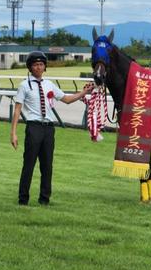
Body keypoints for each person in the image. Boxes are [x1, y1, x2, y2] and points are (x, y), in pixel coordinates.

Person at [10, 51, 94, 206]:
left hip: (48, 128)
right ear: (30, 67)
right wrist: (13, 133)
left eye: (41, 64)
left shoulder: (49, 84)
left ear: (45, 67)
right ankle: (23, 198)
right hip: (33, 126)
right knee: (29, 164)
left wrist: (84, 92)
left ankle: (44, 198)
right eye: (35, 65)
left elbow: (67, 99)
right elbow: (17, 109)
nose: (38, 67)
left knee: (47, 165)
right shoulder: (24, 85)